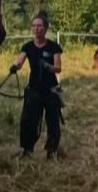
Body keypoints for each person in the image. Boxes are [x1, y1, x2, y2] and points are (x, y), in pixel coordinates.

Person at [9, 11, 63, 159]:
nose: (36, 28)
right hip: (33, 89)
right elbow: (19, 62)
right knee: (28, 120)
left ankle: (52, 150)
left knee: (52, 121)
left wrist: (47, 66)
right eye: (34, 26)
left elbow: (58, 68)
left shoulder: (54, 47)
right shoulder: (27, 47)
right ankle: (27, 150)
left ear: (45, 29)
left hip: (51, 90)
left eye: (39, 26)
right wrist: (14, 67)